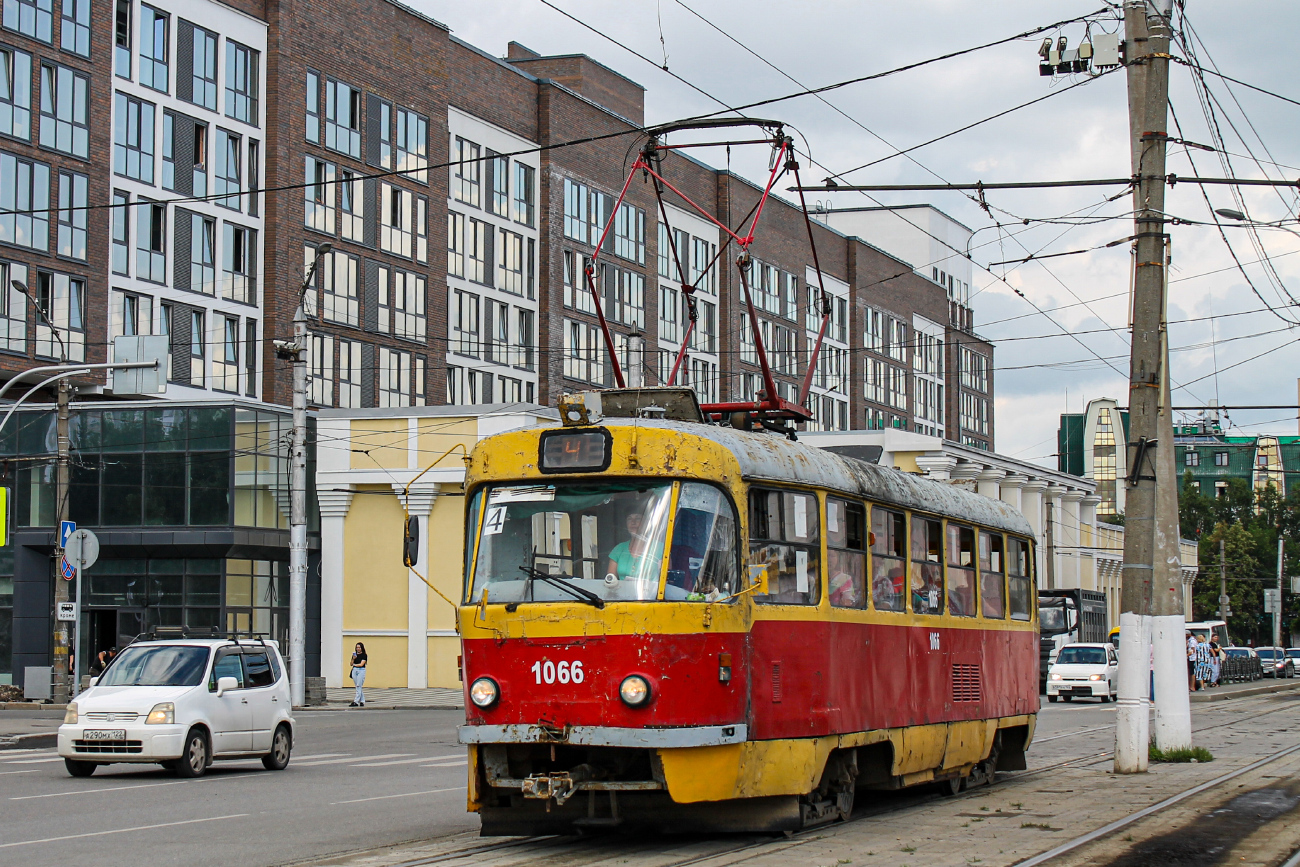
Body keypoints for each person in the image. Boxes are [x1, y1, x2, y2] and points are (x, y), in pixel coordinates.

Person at [606, 512, 663, 581]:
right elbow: (610, 581)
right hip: (622, 591)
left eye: (638, 518)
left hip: (650, 591)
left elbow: (666, 580)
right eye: (629, 519)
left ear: (647, 523)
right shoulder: (619, 549)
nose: (633, 522)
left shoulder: (660, 548)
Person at [349, 642, 368, 707]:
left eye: (359, 647)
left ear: (362, 648)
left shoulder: (364, 655)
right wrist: (353, 659)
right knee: (357, 686)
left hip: (361, 670)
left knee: (358, 686)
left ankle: (356, 701)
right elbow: (351, 664)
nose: (358, 649)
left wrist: (355, 665)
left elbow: (361, 664)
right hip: (354, 670)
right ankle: (362, 701)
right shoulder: (355, 655)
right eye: (357, 647)